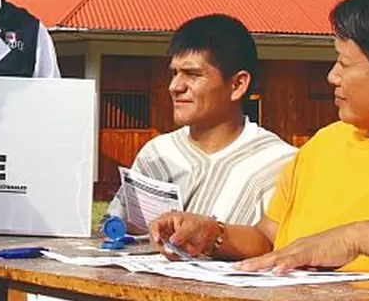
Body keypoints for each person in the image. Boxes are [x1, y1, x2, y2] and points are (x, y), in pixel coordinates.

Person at [149, 0, 369, 278]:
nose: (332, 76)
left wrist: (357, 237)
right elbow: (269, 238)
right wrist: (213, 235)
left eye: (344, 63)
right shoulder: (327, 143)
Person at [106, 14, 296, 231]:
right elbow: (116, 228)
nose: (175, 86)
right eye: (174, 73)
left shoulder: (277, 164)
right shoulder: (157, 154)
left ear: (237, 85)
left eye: (192, 74)